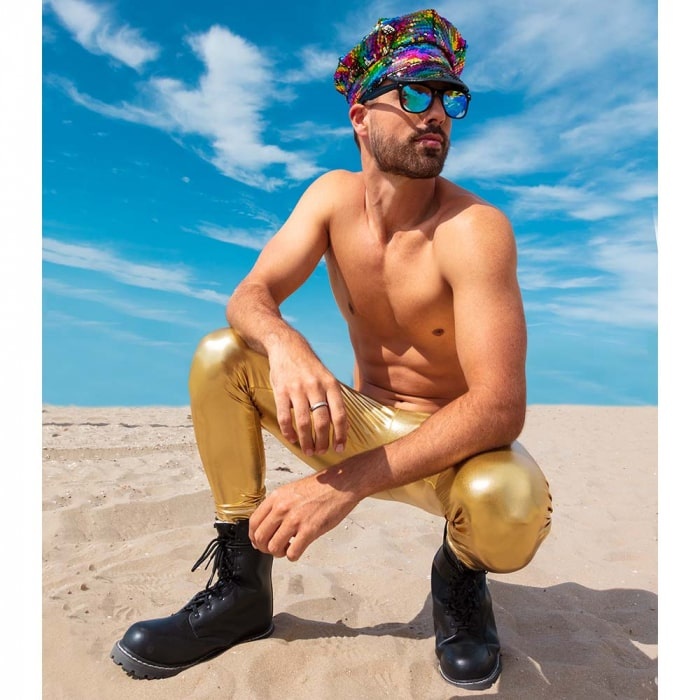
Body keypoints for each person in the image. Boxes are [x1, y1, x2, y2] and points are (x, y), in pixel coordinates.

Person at [110, 8, 552, 690]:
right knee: (223, 354)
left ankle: (459, 580)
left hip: (451, 451)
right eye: (415, 93)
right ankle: (242, 590)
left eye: (449, 99)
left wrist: (338, 486)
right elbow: (251, 293)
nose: (436, 114)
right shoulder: (330, 198)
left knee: (510, 499)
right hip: (355, 423)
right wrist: (286, 343)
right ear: (361, 117)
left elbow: (499, 407)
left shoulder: (474, 229)